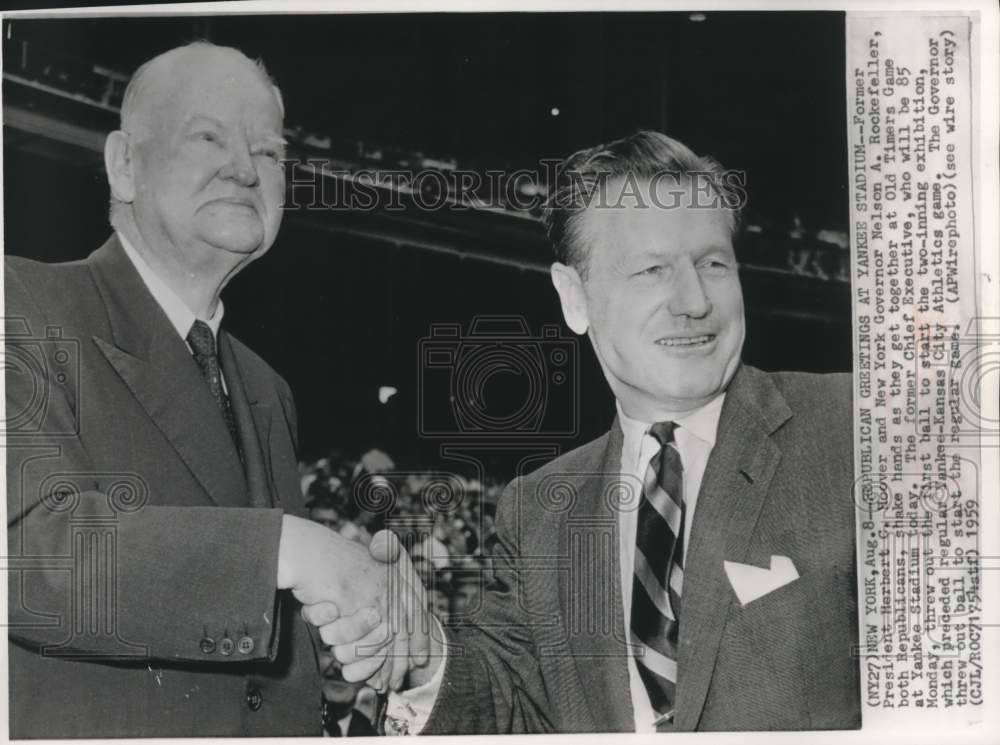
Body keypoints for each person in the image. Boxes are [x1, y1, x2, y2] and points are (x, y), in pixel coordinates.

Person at [323, 130, 860, 733]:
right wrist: (425, 659)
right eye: (652, 270)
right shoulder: (540, 510)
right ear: (574, 298)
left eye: (713, 263)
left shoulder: (855, 427)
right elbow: (510, 706)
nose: (694, 300)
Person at [4, 42, 417, 738]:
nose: (244, 168)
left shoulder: (266, 387)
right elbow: (29, 556)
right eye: (208, 137)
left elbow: (249, 650)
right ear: (124, 164)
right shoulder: (21, 304)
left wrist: (361, 627)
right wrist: (291, 549)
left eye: (269, 152)